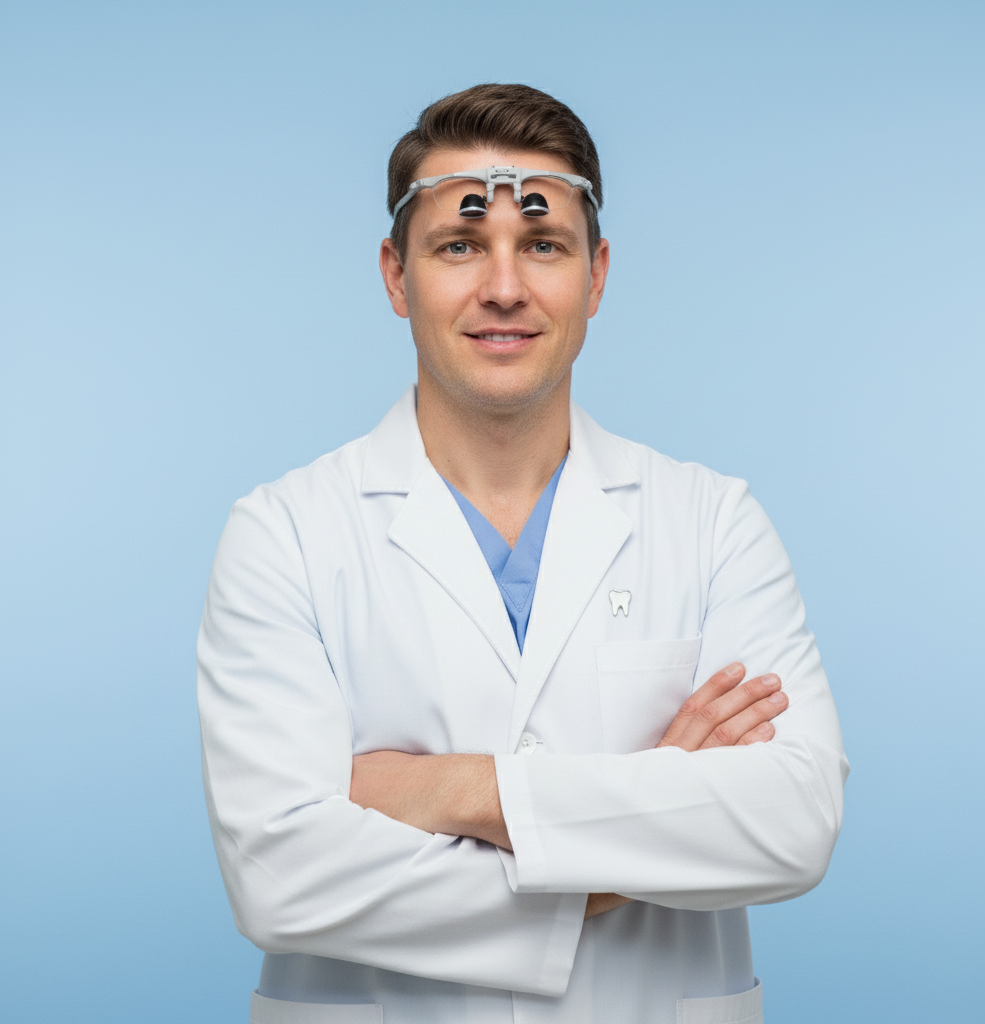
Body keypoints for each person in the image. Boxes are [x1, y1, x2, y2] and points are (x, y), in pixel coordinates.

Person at [197, 83, 848, 1024]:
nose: (503, 287)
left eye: (542, 245)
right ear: (394, 274)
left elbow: (791, 821)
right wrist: (646, 819)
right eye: (459, 245)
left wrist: (443, 787)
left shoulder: (712, 523)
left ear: (596, 274)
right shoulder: (284, 537)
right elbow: (281, 876)